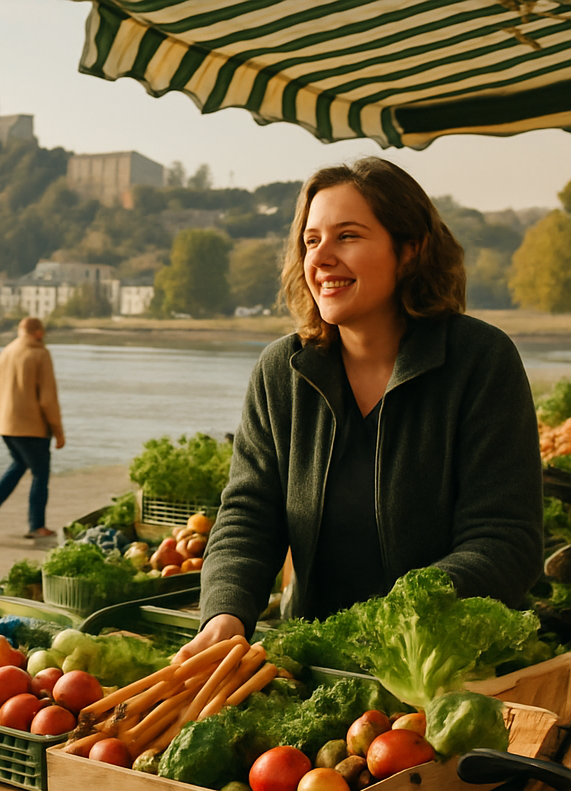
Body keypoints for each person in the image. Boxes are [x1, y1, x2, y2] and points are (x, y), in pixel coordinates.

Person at [178, 157, 543, 662]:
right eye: (311, 241)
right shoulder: (280, 371)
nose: (321, 257)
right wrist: (225, 614)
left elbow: (505, 538)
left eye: (346, 236)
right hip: (311, 664)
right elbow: (249, 515)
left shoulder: (481, 361)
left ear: (410, 250)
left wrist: (395, 623)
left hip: (442, 668)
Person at [0, 316, 65, 539]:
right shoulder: (40, 354)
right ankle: (37, 526)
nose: (44, 336)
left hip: (5, 426)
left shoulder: (6, 352)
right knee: (40, 475)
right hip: (31, 427)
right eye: (43, 332)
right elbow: (48, 399)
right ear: (37, 332)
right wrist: (58, 431)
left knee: (19, 464)